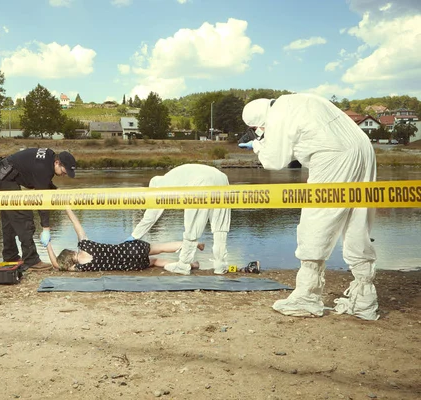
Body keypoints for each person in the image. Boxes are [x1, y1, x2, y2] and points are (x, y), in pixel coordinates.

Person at [241, 93, 378, 320]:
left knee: (316, 221)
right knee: (357, 220)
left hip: (333, 158)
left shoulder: (277, 116)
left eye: (258, 128)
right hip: (364, 149)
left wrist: (258, 145)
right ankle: (364, 297)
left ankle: (307, 297)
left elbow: (274, 161)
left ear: (260, 121)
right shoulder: (299, 100)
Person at [125, 164, 231, 276]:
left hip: (200, 181)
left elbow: (151, 216)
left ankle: (184, 265)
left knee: (193, 227)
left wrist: (134, 236)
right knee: (220, 225)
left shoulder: (160, 186)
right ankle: (221, 266)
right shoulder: (172, 176)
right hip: (221, 177)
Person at [0, 147, 76, 269]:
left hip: (1, 175)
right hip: (3, 178)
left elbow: (41, 181)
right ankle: (31, 260)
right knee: (24, 217)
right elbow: (42, 201)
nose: (63, 175)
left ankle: (10, 256)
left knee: (10, 220)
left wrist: (55, 189)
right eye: (64, 171)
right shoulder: (44, 167)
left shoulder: (49, 158)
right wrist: (45, 228)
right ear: (57, 163)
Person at [46, 209, 203, 272]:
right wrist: (66, 207)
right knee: (161, 247)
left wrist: (47, 246)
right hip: (130, 249)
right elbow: (76, 224)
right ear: (72, 251)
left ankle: (191, 265)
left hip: (130, 264)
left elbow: (56, 265)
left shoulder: (82, 268)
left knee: (155, 261)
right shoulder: (85, 244)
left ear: (69, 263)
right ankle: (192, 244)